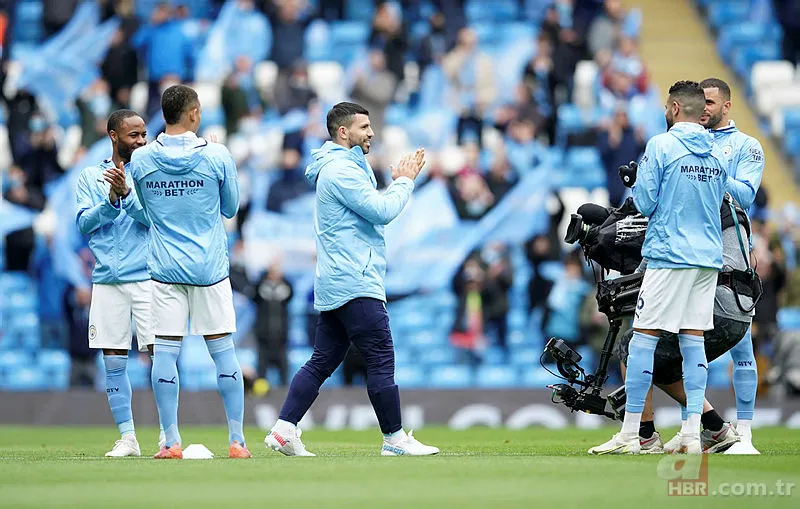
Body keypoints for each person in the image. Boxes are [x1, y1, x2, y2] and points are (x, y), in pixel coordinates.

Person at [265, 102, 439, 456]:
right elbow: (381, 211)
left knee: (323, 360)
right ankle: (394, 439)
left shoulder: (344, 167)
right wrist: (404, 182)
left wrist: (393, 182)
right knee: (379, 356)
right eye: (363, 127)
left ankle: (284, 430)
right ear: (343, 132)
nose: (371, 132)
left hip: (338, 279)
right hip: (355, 279)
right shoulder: (341, 171)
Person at [589, 81, 728, 455]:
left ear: (676, 108)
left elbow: (646, 202)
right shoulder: (716, 153)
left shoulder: (662, 145)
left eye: (668, 106)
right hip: (707, 258)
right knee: (692, 339)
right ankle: (690, 432)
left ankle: (634, 432)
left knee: (642, 341)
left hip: (669, 255)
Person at [130, 85, 250, 460]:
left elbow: (142, 213)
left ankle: (170, 441)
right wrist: (218, 157)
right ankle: (237, 441)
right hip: (209, 270)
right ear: (195, 113)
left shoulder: (142, 161)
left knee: (164, 354)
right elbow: (230, 208)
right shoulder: (217, 156)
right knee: (223, 353)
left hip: (165, 270)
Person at [614, 193, 756, 454]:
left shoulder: (694, 202)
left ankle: (643, 435)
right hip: (743, 310)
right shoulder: (733, 207)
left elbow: (665, 252)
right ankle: (715, 428)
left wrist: (628, 282)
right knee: (664, 364)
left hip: (715, 304)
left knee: (633, 346)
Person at [76, 109, 160, 457]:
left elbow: (153, 219)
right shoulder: (89, 177)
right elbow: (84, 225)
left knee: (161, 355)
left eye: (143, 135)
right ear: (113, 135)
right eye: (134, 135)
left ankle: (169, 437)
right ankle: (128, 438)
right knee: (113, 360)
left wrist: (127, 194)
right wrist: (111, 200)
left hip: (147, 277)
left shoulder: (153, 172)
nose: (141, 141)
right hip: (108, 279)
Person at [698, 77, 765, 455]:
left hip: (732, 255)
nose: (703, 107)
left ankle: (745, 432)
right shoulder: (687, 140)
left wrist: (709, 168)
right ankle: (696, 427)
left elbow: (746, 195)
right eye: (699, 101)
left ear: (726, 106)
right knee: (690, 344)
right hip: (690, 254)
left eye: (710, 101)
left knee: (741, 346)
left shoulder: (746, 146)